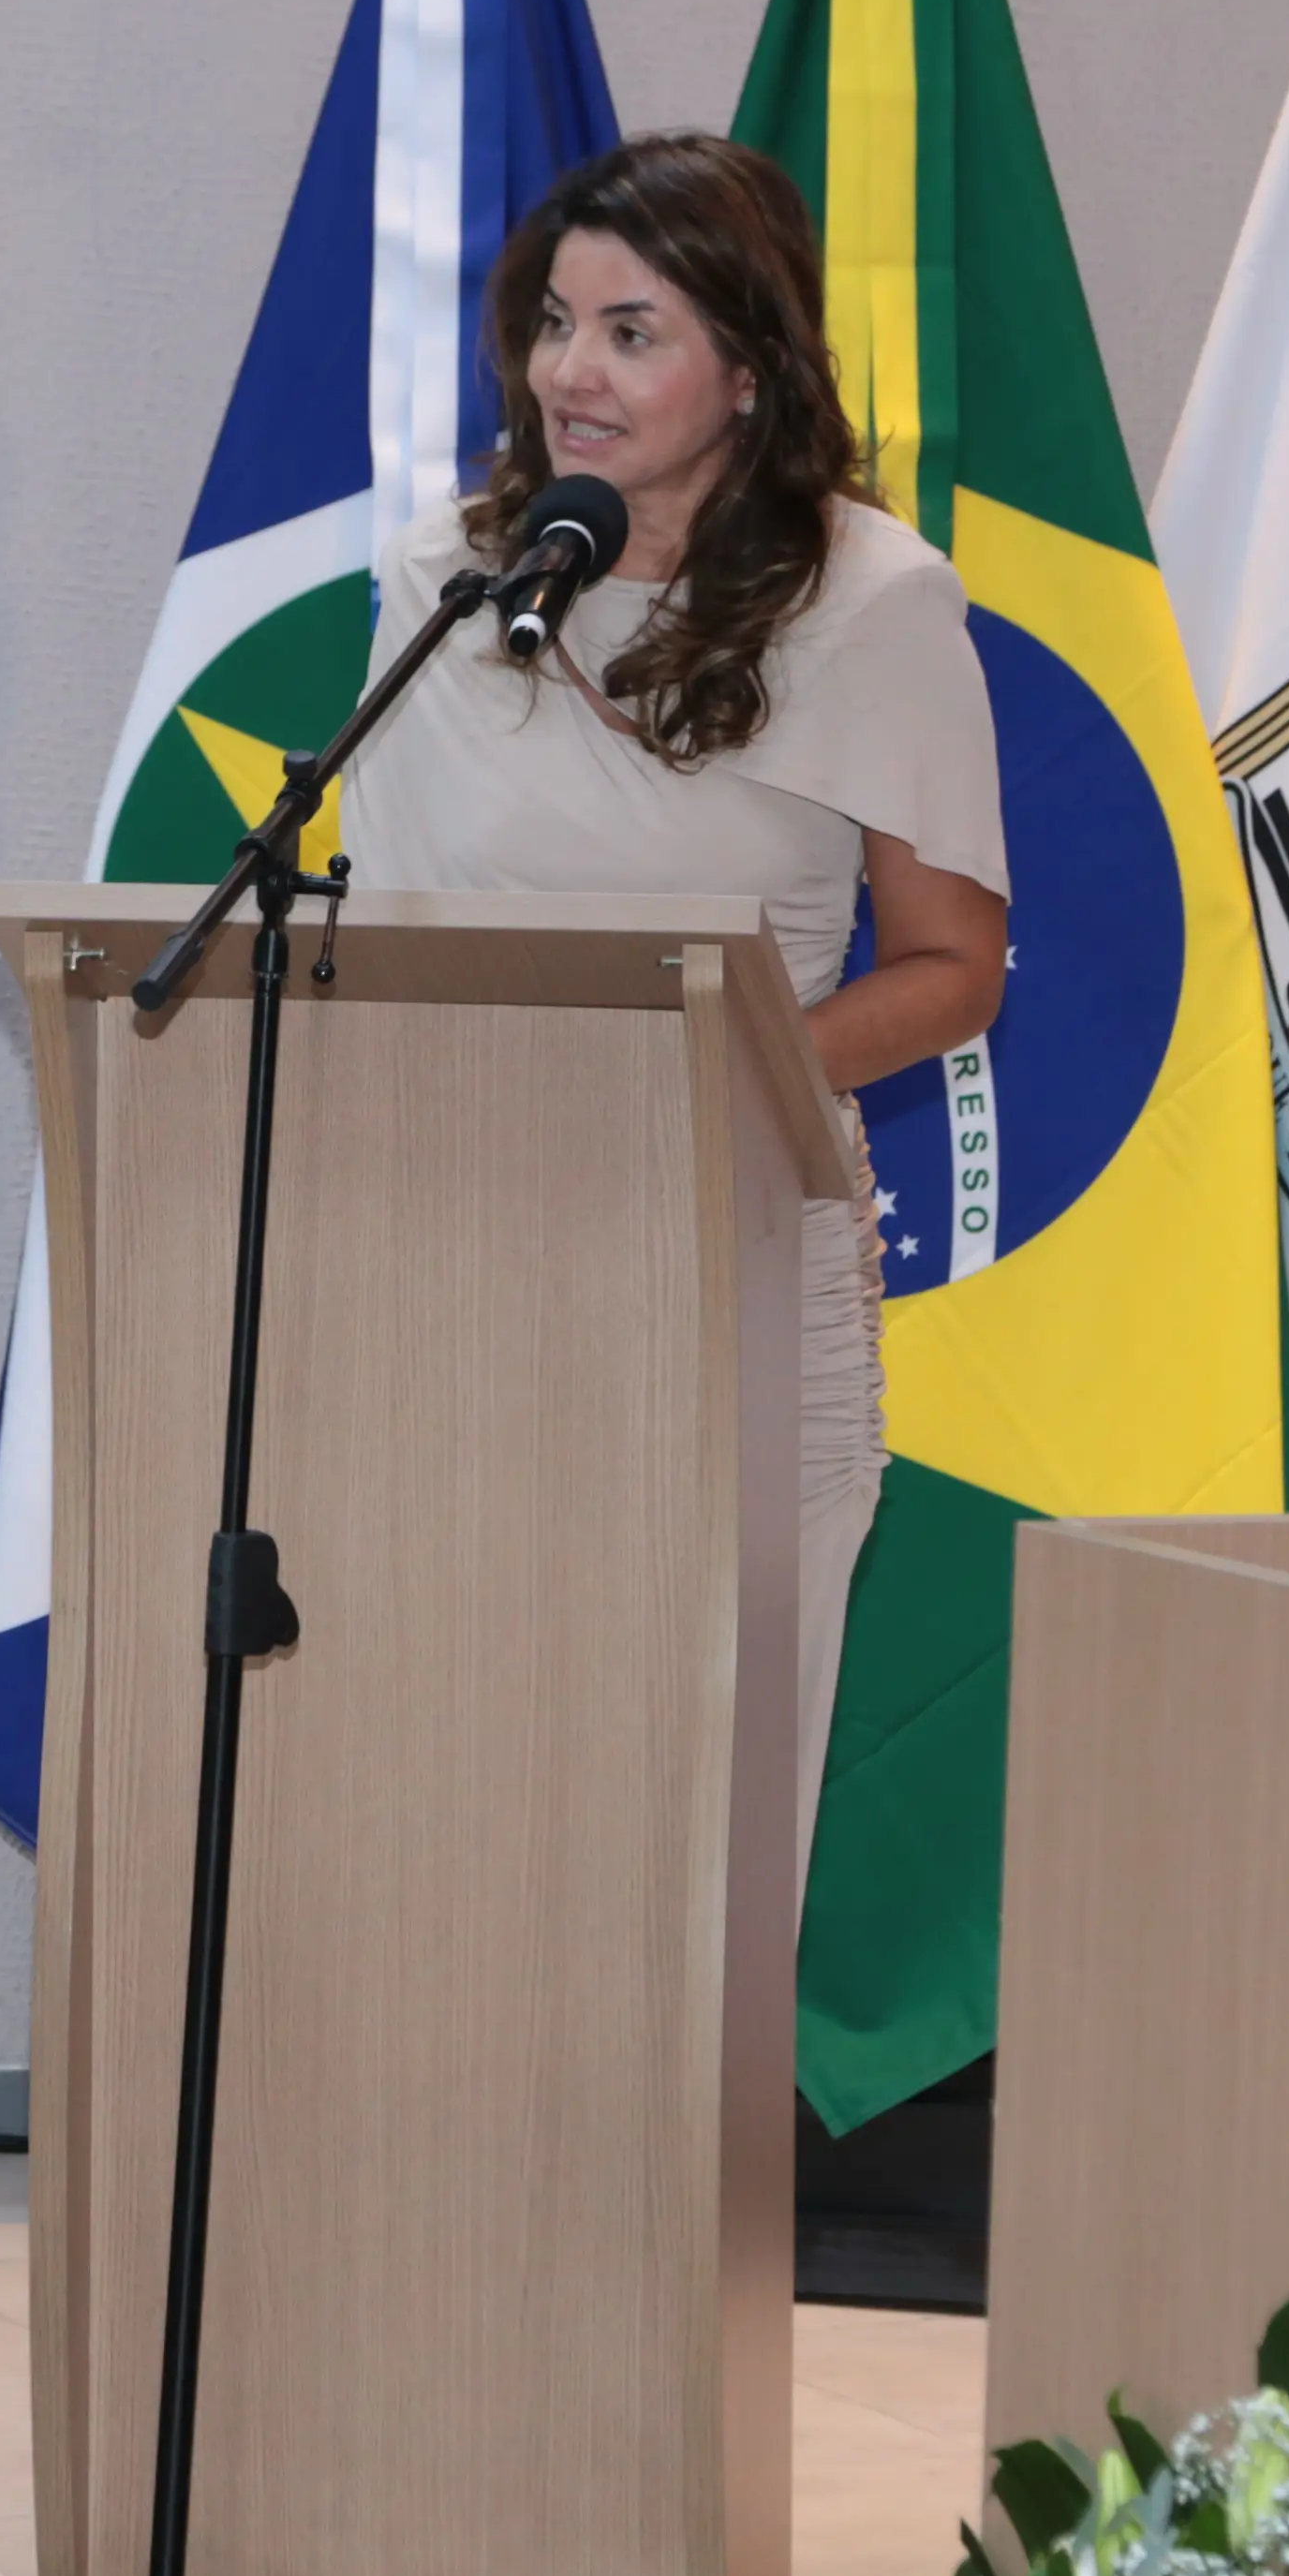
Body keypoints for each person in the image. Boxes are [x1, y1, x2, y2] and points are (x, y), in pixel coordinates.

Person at [336, 134, 1007, 1874]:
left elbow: (952, 967)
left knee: (693, 1828)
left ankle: (662, 2158)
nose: (571, 370)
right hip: (454, 1257)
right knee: (450, 1793)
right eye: (554, 323)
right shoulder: (443, 583)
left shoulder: (873, 603)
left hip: (731, 1261)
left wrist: (707, 1067)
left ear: (750, 365)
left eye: (632, 330)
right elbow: (383, 940)